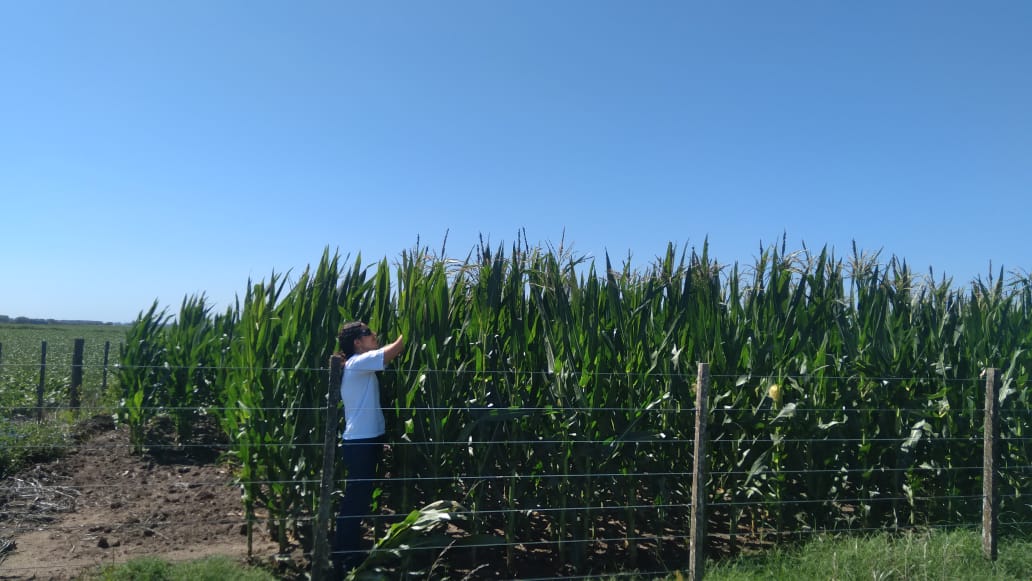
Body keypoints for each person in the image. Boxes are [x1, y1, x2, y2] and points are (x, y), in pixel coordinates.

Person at [332, 321, 404, 573]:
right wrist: (411, 329)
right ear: (357, 342)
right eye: (368, 333)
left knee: (359, 498)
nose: (374, 335)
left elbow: (385, 356)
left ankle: (347, 551)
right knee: (355, 499)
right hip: (360, 442)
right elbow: (393, 350)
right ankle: (344, 555)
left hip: (366, 439)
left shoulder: (360, 365)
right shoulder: (357, 363)